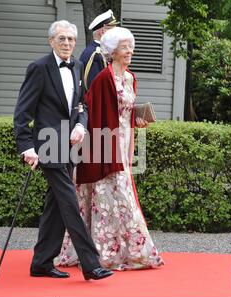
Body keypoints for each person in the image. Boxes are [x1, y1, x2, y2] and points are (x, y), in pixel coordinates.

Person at [55, 27, 164, 271]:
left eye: (130, 47)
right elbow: (97, 116)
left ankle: (126, 251)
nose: (130, 51)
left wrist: (139, 120)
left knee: (118, 198)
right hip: (106, 145)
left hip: (124, 143)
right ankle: (106, 253)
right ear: (112, 52)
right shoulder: (105, 78)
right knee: (108, 198)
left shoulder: (130, 78)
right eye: (125, 47)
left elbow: (125, 113)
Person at [14, 20, 113, 281]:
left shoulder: (78, 65)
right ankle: (91, 265)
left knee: (56, 206)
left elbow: (82, 105)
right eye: (61, 39)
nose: (67, 43)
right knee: (70, 203)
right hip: (47, 146)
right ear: (51, 41)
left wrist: (81, 125)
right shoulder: (38, 68)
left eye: (70, 39)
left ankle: (42, 262)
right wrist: (26, 147)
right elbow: (22, 113)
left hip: (69, 146)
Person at [79, 9, 119, 90]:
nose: (116, 34)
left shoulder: (101, 52)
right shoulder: (95, 55)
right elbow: (94, 89)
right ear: (103, 32)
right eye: (113, 30)